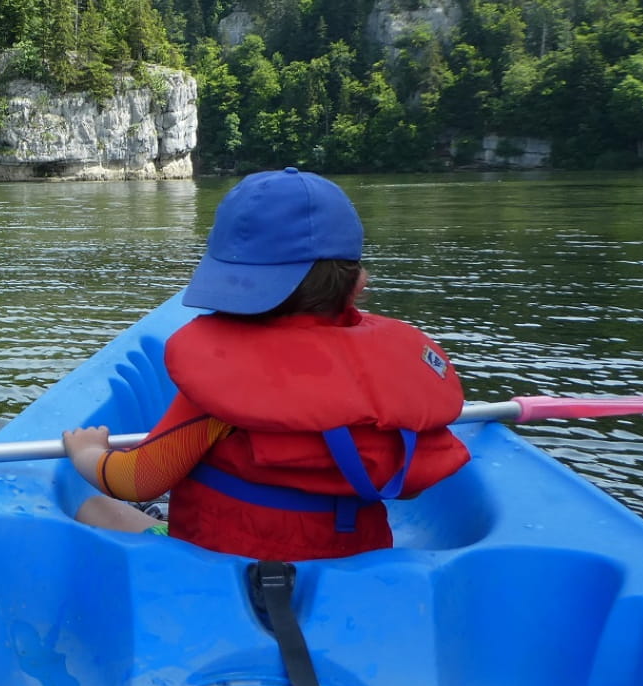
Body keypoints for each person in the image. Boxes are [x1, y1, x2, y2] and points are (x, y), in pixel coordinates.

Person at [63, 167, 471, 561]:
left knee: (97, 509)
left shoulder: (225, 384)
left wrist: (89, 452)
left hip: (218, 562)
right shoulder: (392, 383)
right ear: (358, 287)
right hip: (355, 563)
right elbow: (411, 486)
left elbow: (138, 479)